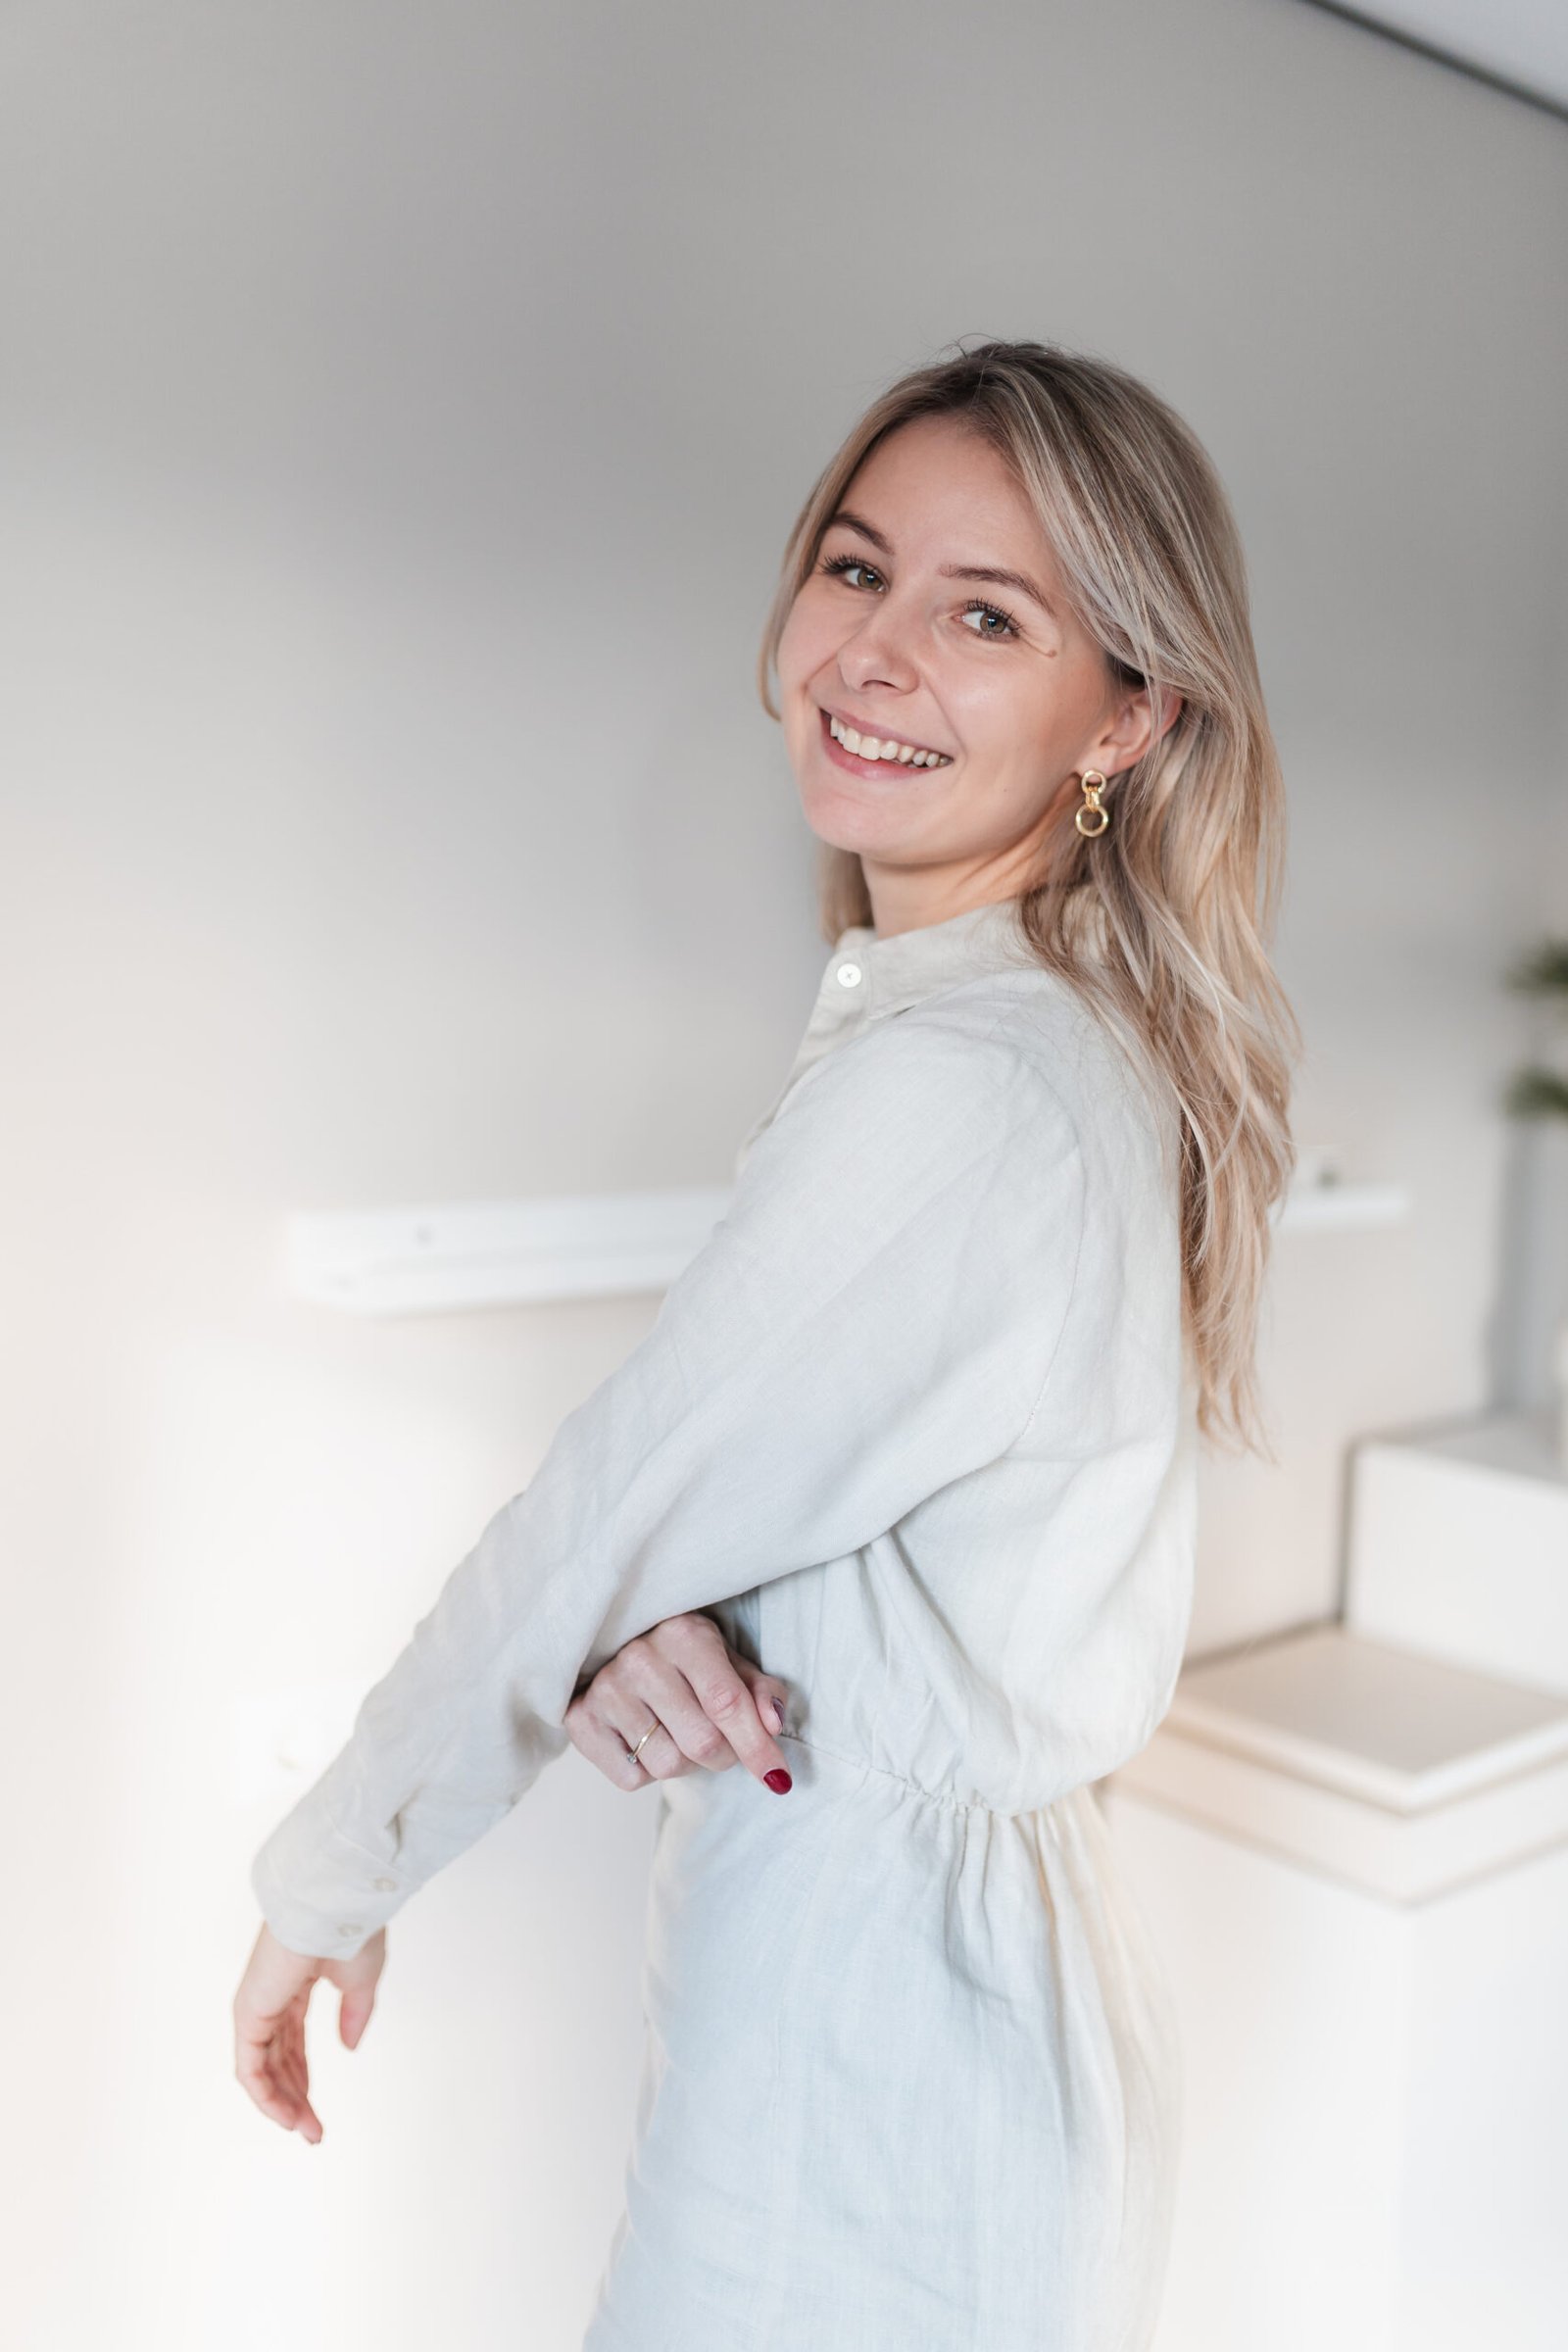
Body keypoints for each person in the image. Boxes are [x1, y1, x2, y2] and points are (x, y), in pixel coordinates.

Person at [233, 336, 1299, 2350]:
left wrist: (325, 1879)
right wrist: (688, 1629)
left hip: (877, 2073)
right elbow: (814, 1500)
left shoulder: (964, 1081)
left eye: (983, 614)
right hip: (925, 2033)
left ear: (1124, 720)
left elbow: (604, 1510)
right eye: (852, 567)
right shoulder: (1017, 1026)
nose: (872, 651)